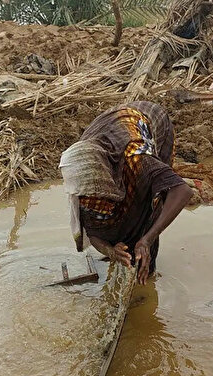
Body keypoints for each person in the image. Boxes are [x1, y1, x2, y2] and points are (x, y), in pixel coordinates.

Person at [59, 101, 192, 284]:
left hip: (150, 122)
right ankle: (130, 249)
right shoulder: (81, 176)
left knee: (150, 199)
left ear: (106, 180)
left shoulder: (137, 158)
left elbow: (182, 190)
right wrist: (111, 251)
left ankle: (146, 261)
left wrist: (147, 239)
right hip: (111, 129)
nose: (91, 201)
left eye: (97, 196)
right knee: (110, 212)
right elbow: (93, 232)